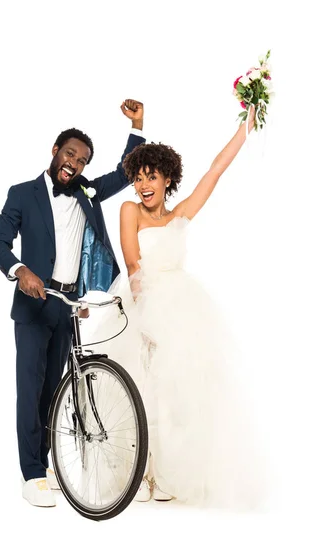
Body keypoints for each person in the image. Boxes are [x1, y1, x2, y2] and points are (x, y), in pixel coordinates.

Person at [83, 106, 266, 507]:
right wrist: (145, 317)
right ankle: (139, 474)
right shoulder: (129, 211)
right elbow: (133, 262)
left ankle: (165, 474)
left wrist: (243, 130)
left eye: (153, 176)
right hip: (141, 301)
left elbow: (214, 171)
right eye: (139, 177)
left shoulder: (180, 214)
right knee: (137, 382)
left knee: (174, 389)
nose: (144, 184)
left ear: (168, 180)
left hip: (179, 306)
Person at [0, 99, 145, 507]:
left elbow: (124, 172)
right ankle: (32, 474)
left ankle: (46, 461)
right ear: (55, 152)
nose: (74, 162)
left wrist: (138, 126)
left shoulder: (88, 193)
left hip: (68, 303)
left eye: (82, 159)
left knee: (55, 390)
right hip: (32, 304)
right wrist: (20, 271)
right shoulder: (22, 193)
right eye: (70, 153)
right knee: (31, 387)